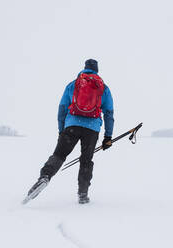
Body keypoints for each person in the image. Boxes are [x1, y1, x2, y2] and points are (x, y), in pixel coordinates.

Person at [27, 59, 114, 204]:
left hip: (72, 125)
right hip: (92, 130)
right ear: (97, 70)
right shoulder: (103, 88)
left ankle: (45, 177)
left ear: (84, 68)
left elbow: (62, 109)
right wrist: (108, 136)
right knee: (86, 161)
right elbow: (109, 113)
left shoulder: (73, 85)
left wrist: (62, 130)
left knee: (59, 155)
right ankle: (83, 194)